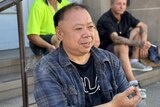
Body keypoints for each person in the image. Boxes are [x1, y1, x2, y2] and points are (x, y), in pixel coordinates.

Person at [34, 3, 141, 107]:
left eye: (90, 27)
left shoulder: (109, 60)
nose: (88, 34)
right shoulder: (47, 68)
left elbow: (126, 98)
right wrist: (113, 105)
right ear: (60, 33)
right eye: (79, 28)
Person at [97, 0, 153, 83]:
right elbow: (115, 39)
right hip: (106, 50)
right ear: (111, 4)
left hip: (123, 46)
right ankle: (132, 82)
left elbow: (143, 25)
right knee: (123, 46)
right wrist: (140, 43)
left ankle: (134, 61)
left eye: (124, 4)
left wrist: (143, 43)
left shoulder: (125, 15)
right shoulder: (105, 19)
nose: (122, 6)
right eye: (119, 3)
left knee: (138, 30)